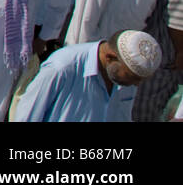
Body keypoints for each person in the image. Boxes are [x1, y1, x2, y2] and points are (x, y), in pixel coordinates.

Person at [13, 31, 162, 122]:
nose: (137, 85)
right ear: (110, 57)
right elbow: (26, 117)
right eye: (133, 77)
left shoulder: (123, 76)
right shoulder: (63, 67)